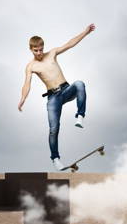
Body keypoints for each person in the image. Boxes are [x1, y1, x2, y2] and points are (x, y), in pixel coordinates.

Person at [18, 24, 95, 171]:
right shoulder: (31, 66)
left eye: (41, 49)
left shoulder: (52, 53)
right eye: (36, 51)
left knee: (79, 84)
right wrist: (23, 99)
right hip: (53, 98)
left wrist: (85, 32)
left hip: (66, 90)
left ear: (43, 47)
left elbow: (69, 44)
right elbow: (26, 84)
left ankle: (80, 116)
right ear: (31, 49)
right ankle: (55, 158)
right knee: (53, 129)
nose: (39, 53)